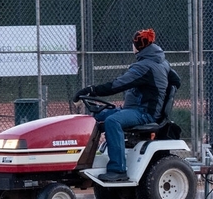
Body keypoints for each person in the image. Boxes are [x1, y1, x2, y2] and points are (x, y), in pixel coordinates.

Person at [75, 28, 179, 182]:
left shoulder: (145, 66)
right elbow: (176, 81)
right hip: (137, 109)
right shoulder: (161, 61)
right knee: (97, 116)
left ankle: (118, 170)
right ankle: (91, 158)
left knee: (113, 121)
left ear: (137, 46)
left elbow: (117, 85)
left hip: (144, 113)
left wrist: (90, 90)